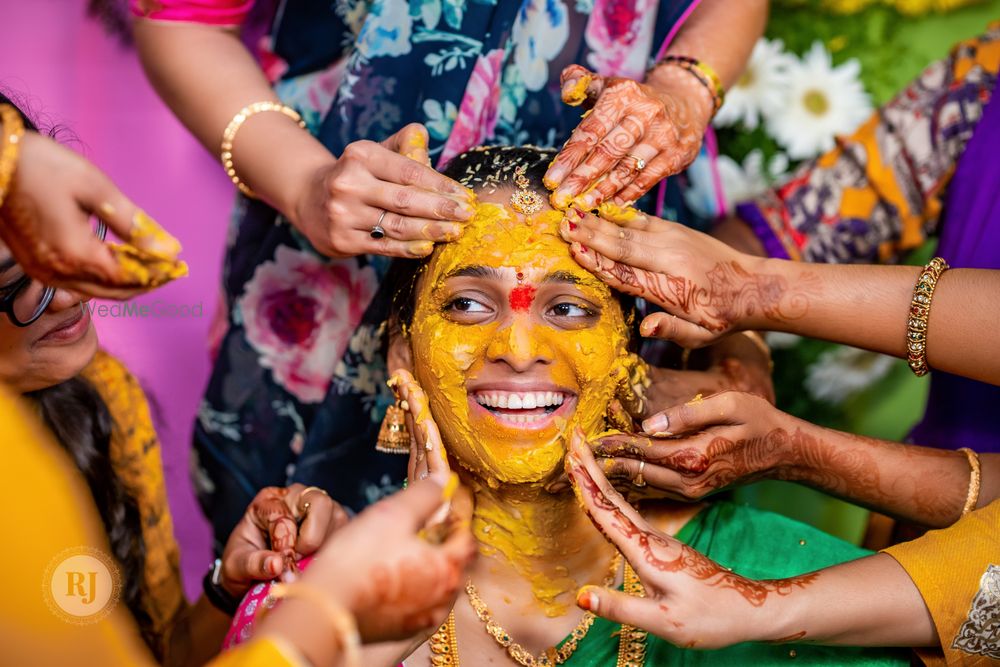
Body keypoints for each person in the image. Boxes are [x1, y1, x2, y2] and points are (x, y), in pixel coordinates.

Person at [128, 0, 769, 551]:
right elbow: (184, 22)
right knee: (300, 541)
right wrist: (301, 184)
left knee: (579, 535)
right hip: (339, 229)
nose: (517, 350)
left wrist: (683, 93)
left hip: (608, 211)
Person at [227, 146, 907, 665]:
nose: (520, 348)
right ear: (400, 355)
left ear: (628, 358)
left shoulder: (772, 576)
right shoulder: (318, 610)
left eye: (570, 308)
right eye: (466, 303)